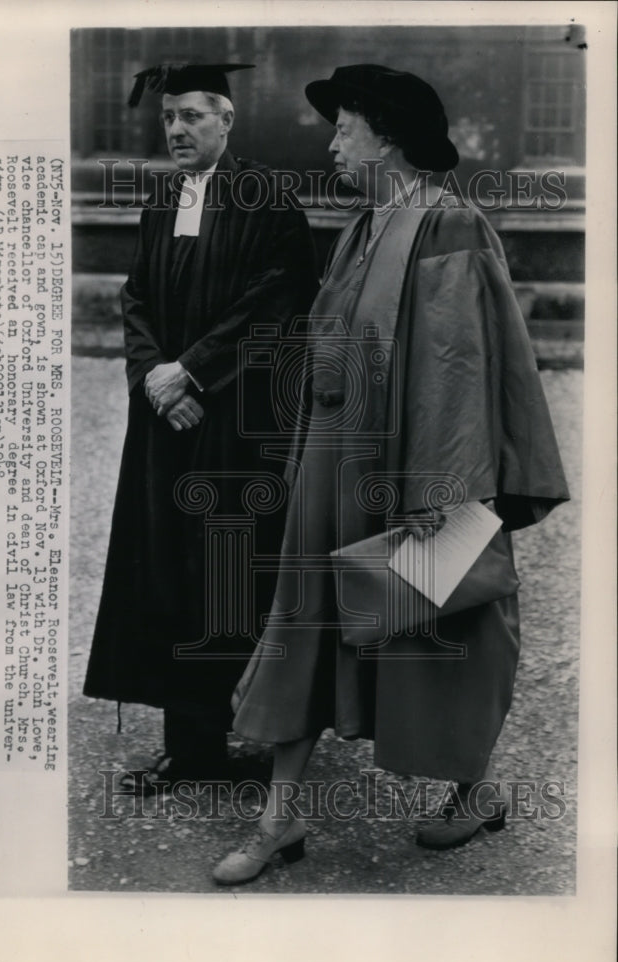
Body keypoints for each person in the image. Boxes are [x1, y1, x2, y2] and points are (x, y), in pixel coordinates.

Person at [212, 64, 570, 884]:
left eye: (344, 128)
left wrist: (441, 495)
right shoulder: (360, 226)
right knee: (303, 625)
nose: (333, 143)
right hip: (336, 460)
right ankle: (281, 816)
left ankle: (473, 793)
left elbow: (460, 365)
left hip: (413, 468)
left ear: (389, 136)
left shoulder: (449, 225)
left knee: (441, 632)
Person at [84, 63, 317, 793]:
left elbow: (277, 301)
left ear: (227, 120)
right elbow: (137, 297)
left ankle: (248, 731)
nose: (178, 129)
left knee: (224, 572)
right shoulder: (161, 198)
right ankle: (189, 747)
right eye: (169, 118)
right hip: (165, 421)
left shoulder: (269, 198)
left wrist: (193, 372)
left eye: (192, 116)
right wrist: (155, 376)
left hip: (228, 424)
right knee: (164, 573)